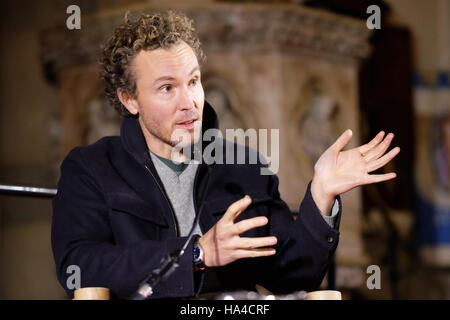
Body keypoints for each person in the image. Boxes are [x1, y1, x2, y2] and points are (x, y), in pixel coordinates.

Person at [51, 10, 400, 299]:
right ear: (129, 99)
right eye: (167, 88)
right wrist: (198, 254)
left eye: (193, 81)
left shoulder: (243, 164)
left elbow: (294, 274)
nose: (189, 103)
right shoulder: (91, 168)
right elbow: (78, 265)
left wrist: (321, 196)